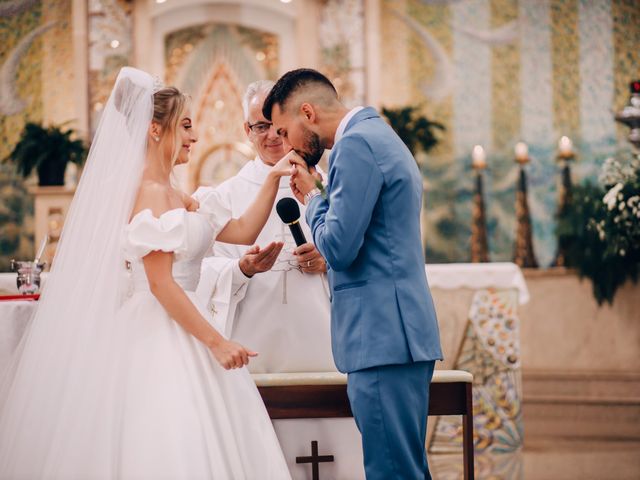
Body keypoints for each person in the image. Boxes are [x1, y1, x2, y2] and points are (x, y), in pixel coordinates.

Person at [0, 67, 292, 479]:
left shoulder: (174, 192)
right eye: (186, 125)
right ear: (156, 129)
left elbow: (241, 230)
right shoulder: (150, 193)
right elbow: (160, 284)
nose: (194, 137)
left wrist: (273, 178)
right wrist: (217, 342)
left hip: (186, 323)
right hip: (160, 331)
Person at [263, 68, 443, 480]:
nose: (284, 144)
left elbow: (340, 248)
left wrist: (310, 198)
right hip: (394, 333)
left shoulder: (356, 144)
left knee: (391, 472)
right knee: (404, 468)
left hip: (381, 335)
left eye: (284, 131)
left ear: (307, 112)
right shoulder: (376, 134)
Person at [195, 80, 334, 373]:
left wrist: (329, 260)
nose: (272, 135)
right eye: (260, 126)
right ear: (247, 131)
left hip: (324, 334)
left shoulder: (332, 187)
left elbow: (366, 251)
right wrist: (240, 268)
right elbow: (199, 268)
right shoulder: (226, 196)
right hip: (251, 340)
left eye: (277, 125)